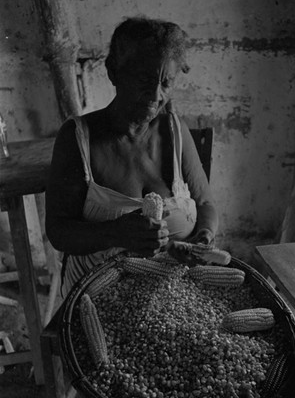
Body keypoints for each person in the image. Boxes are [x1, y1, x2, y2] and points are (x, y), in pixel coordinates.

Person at [46, 16, 219, 298]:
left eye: (166, 82)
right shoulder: (78, 139)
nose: (156, 95)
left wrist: (204, 237)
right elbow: (58, 232)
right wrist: (115, 233)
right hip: (97, 294)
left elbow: (205, 202)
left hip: (171, 293)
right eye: (145, 80)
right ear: (113, 72)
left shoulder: (175, 130)